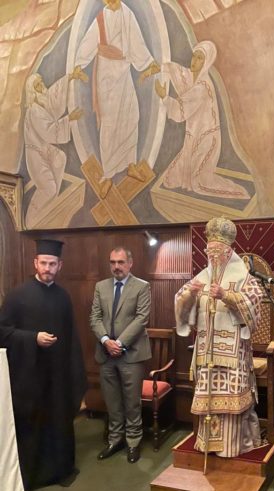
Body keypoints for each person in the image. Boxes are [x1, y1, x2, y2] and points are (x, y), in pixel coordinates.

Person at [0, 239, 87, 491]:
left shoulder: (63, 297)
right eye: (43, 263)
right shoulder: (18, 295)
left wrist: (75, 373)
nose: (47, 268)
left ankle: (60, 470)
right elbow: (3, 332)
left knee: (58, 421)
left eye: (52, 264)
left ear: (60, 265)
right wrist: (33, 338)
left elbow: (71, 337)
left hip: (57, 376)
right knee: (32, 425)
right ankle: (33, 476)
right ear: (35, 263)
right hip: (29, 376)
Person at [174, 217, 264, 456]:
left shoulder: (244, 276)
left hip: (233, 354)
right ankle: (208, 444)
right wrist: (189, 296)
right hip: (207, 351)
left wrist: (227, 296)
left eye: (217, 252)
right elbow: (180, 301)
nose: (213, 256)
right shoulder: (203, 276)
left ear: (228, 251)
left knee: (231, 401)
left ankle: (232, 447)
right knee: (209, 400)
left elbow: (255, 304)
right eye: (209, 252)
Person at [75, 0, 160, 198]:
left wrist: (148, 63)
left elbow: (136, 41)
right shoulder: (100, 18)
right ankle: (108, 175)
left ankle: (130, 164)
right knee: (109, 124)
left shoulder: (127, 14)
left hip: (124, 71)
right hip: (106, 75)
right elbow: (88, 42)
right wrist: (79, 64)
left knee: (131, 116)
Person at [154, 41, 250, 200]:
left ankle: (239, 194)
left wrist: (164, 97)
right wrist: (161, 68)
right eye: (194, 56)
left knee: (198, 183)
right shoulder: (195, 77)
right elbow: (181, 72)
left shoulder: (203, 87)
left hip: (206, 140)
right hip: (192, 137)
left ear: (206, 62)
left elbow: (181, 110)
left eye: (200, 58)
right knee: (171, 180)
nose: (194, 61)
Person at [90, 247, 151, 463]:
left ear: (130, 263)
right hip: (106, 354)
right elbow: (95, 317)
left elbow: (141, 318)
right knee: (112, 401)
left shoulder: (142, 286)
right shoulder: (101, 286)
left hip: (131, 355)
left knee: (132, 402)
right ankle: (115, 440)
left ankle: (133, 442)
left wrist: (120, 343)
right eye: (113, 262)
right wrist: (106, 341)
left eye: (121, 262)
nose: (116, 266)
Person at [24, 69, 85, 229]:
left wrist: (70, 77)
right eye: (38, 85)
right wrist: (69, 119)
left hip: (44, 150)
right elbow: (49, 131)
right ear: (33, 90)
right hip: (36, 155)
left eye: (41, 82)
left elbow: (54, 95)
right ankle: (30, 220)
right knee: (48, 188)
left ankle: (50, 204)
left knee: (60, 158)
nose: (42, 86)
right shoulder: (34, 110)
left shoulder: (42, 103)